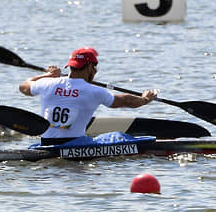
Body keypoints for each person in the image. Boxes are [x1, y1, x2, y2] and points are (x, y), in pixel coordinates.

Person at [19, 47, 158, 145]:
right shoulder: (94, 91)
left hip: (46, 143)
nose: (95, 71)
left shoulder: (47, 83)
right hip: (75, 144)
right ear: (90, 66)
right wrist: (145, 99)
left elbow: (24, 87)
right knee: (119, 137)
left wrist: (47, 75)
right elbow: (125, 100)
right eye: (95, 67)